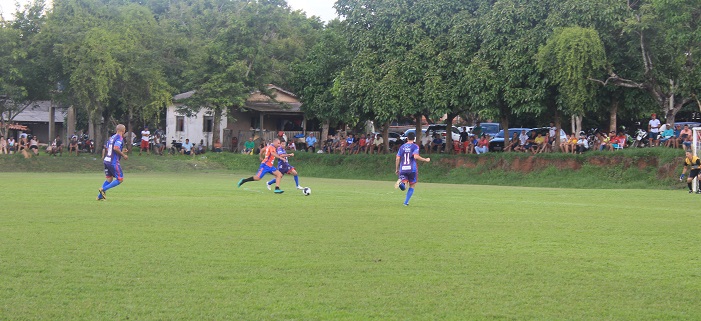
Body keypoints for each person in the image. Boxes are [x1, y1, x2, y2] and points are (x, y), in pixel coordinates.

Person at [394, 132, 431, 206]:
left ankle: (401, 183)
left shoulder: (402, 147)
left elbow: (397, 158)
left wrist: (396, 169)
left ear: (407, 138)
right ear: (414, 139)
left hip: (403, 169)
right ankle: (405, 202)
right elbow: (416, 157)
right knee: (412, 185)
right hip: (412, 169)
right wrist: (425, 159)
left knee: (404, 186)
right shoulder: (415, 146)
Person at [97, 124, 129, 200]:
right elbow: (115, 148)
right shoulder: (119, 138)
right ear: (123, 130)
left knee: (109, 179)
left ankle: (100, 197)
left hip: (107, 160)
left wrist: (121, 150)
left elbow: (109, 149)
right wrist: (123, 155)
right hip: (113, 162)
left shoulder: (112, 137)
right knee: (120, 179)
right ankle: (103, 189)